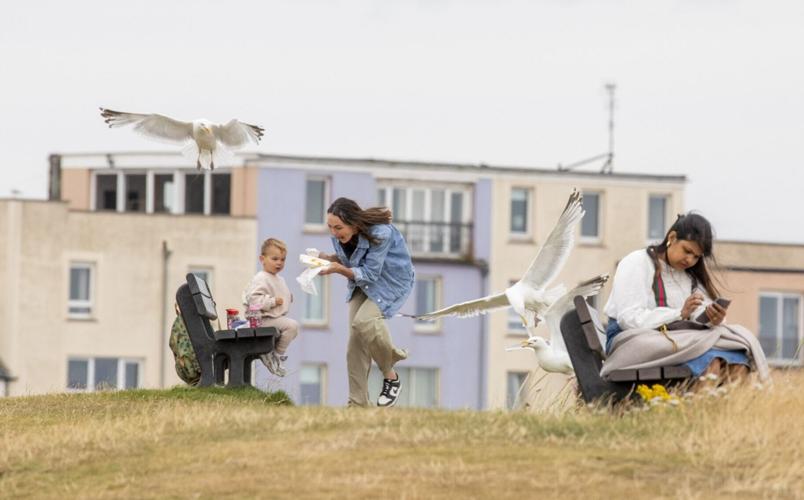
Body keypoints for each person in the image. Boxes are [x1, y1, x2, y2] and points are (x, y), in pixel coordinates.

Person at [601, 213, 769, 387]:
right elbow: (628, 319)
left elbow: (696, 314)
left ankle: (724, 413)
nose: (690, 260)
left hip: (678, 339)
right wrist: (679, 313)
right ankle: (698, 412)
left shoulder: (690, 276)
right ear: (672, 238)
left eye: (697, 256)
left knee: (737, 364)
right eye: (687, 251)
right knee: (710, 362)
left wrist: (712, 319)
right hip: (632, 341)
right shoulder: (637, 262)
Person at [314, 197, 414, 408]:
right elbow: (350, 261)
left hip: (390, 283)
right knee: (355, 345)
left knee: (364, 322)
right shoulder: (339, 236)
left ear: (354, 223)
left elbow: (369, 273)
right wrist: (325, 258)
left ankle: (391, 374)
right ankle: (357, 405)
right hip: (361, 284)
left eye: (338, 227)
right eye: (330, 227)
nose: (334, 232)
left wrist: (338, 270)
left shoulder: (381, 233)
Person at [242, 238, 300, 377]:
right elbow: (253, 300)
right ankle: (276, 355)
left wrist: (287, 297)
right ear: (262, 259)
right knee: (292, 326)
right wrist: (272, 302)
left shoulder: (279, 279)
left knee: (293, 330)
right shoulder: (261, 278)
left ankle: (269, 352)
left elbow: (278, 293)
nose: (279, 263)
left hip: (272, 318)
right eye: (275, 259)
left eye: (282, 259)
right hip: (260, 320)